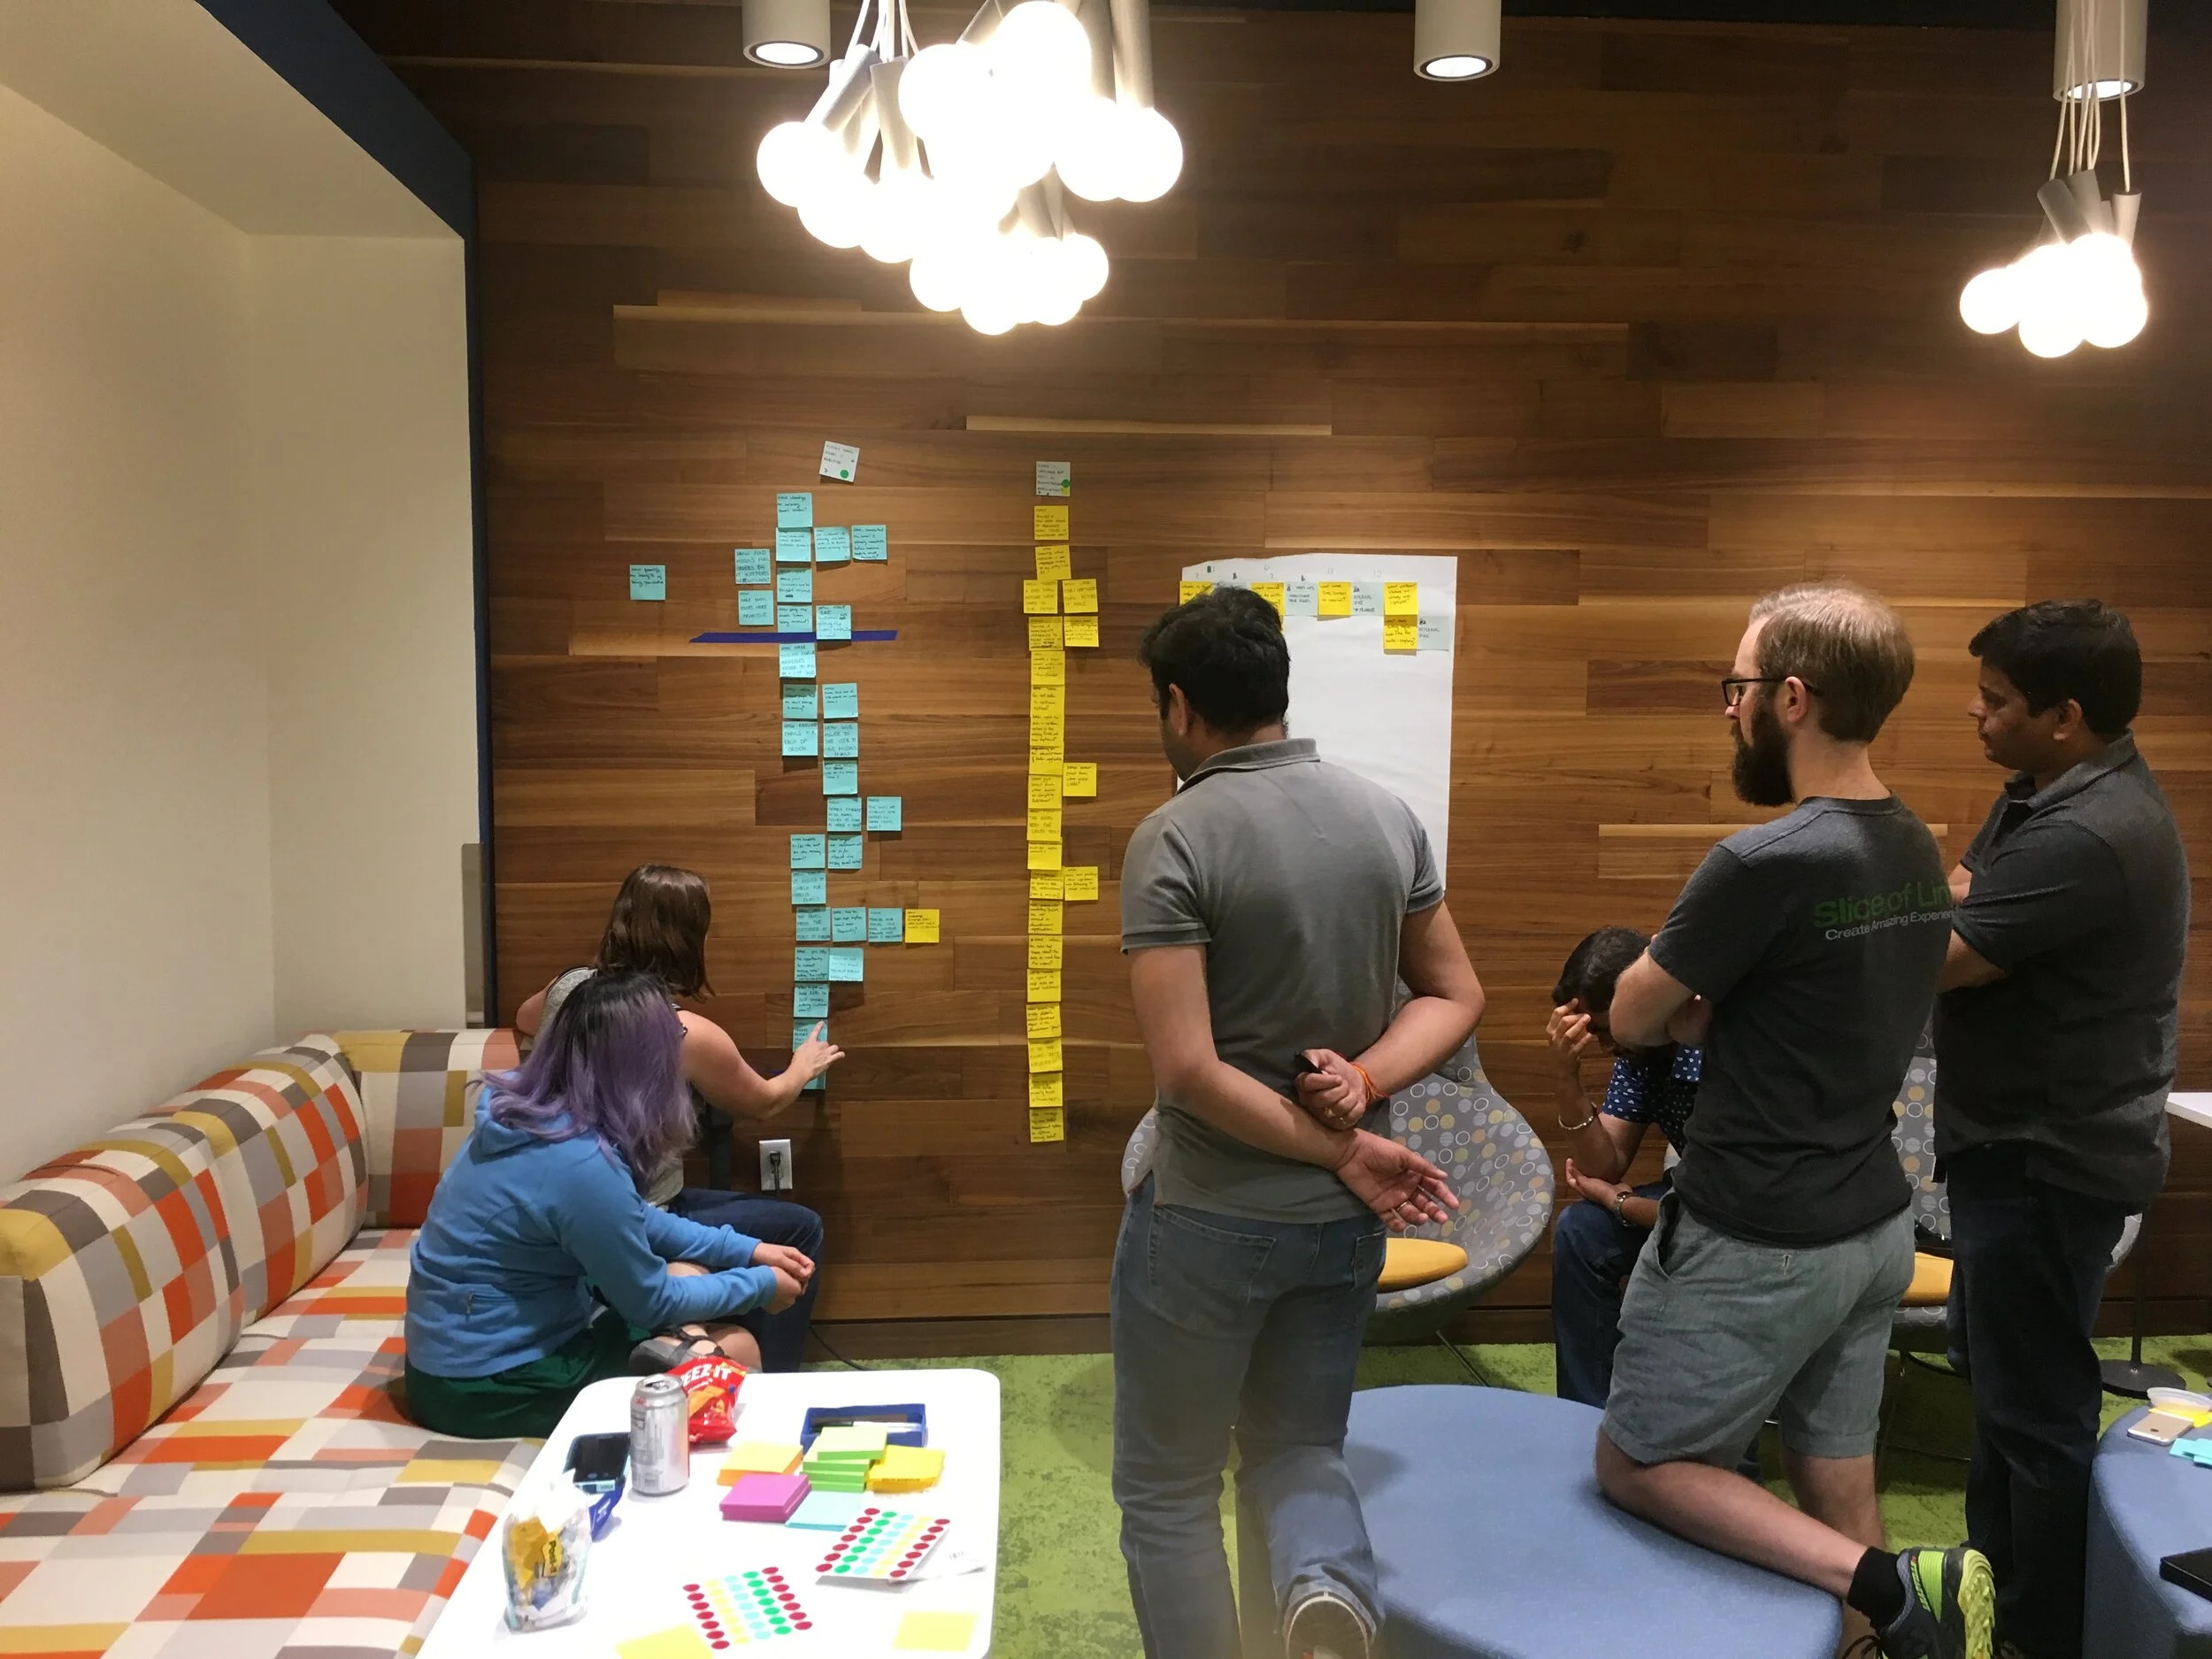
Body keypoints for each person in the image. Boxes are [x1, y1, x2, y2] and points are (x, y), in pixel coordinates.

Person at [1596, 583, 1993, 1659]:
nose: (1727, 708)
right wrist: (1716, 1008)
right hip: (1871, 1229)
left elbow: (1630, 1015)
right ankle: (1888, 1637)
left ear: (1791, 699)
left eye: (1736, 687)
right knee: (1834, 1469)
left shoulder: (1760, 862)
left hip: (1757, 1233)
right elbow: (1818, 998)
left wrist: (1685, 1006)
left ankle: (1889, 1583)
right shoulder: (1909, 845)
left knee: (1637, 1463)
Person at [1113, 587, 1486, 1659]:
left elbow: (1188, 1071)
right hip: (1337, 1230)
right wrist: (1362, 1086)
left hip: (1208, 1218)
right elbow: (1455, 994)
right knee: (1298, 1450)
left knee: (1168, 1488)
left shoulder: (1173, 835)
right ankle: (1322, 1597)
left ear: (1179, 705)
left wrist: (1349, 1130)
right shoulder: (1384, 817)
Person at [1934, 600, 2188, 1659]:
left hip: (2047, 1159)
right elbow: (1957, 895)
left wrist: (1865, 911)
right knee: (2004, 1392)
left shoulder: (2090, 832)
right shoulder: (2039, 796)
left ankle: (2039, 1635)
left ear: (2064, 715)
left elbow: (1946, 950)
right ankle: (1991, 1593)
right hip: (2012, 1148)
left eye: (1994, 700)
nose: (1975, 712)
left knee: (2035, 1411)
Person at [403, 970, 810, 1438]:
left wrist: (747, 1250)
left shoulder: (522, 1108)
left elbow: (634, 1218)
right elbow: (651, 1302)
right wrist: (761, 1284)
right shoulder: (581, 1163)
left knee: (688, 1276)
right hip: (487, 1385)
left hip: (455, 1359)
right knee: (737, 1347)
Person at [516, 864, 840, 1371]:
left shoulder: (568, 988)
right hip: (640, 1209)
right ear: (691, 941)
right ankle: (775, 1383)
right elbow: (763, 1101)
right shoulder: (683, 1033)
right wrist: (803, 1067)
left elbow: (523, 1017)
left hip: (557, 1205)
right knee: (800, 1232)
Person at [1545, 926, 1704, 1409]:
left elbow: (1716, 1216)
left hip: (1752, 1210)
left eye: (1604, 1029)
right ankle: (1585, 1414)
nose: (1604, 1045)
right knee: (1581, 1231)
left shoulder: (1710, 1043)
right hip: (1698, 1195)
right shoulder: (1641, 1052)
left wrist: (1620, 1202)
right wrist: (1566, 1079)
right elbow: (1604, 1164)